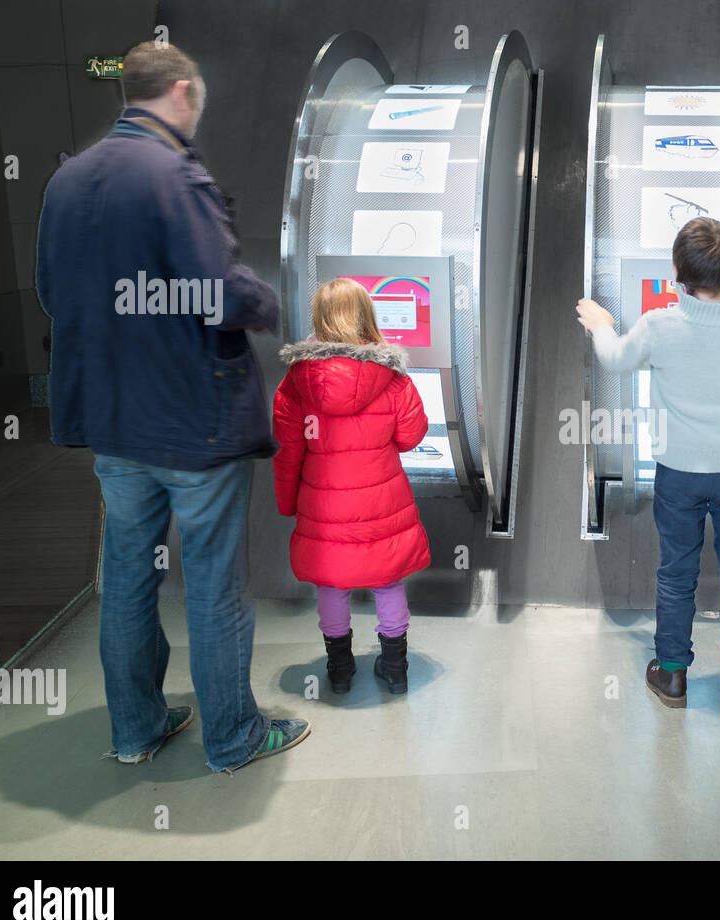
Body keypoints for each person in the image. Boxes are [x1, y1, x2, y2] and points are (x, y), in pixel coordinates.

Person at [36, 41, 310, 770]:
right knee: (214, 585)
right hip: (193, 422)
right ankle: (233, 737)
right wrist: (272, 300)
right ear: (182, 92)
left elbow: (53, 296)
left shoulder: (66, 181)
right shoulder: (175, 174)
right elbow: (218, 294)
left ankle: (136, 731)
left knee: (128, 575)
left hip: (112, 424)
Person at [576, 217, 720, 714]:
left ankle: (672, 674)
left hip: (677, 473)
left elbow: (614, 359)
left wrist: (601, 325)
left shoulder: (660, 325)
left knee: (676, 572)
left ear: (677, 270)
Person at [272, 279, 431, 695]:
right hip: (383, 499)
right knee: (389, 580)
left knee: (332, 582)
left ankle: (339, 670)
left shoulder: (295, 383)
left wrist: (289, 504)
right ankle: (396, 669)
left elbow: (287, 452)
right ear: (366, 316)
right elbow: (413, 435)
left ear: (320, 318)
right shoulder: (392, 378)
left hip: (321, 505)